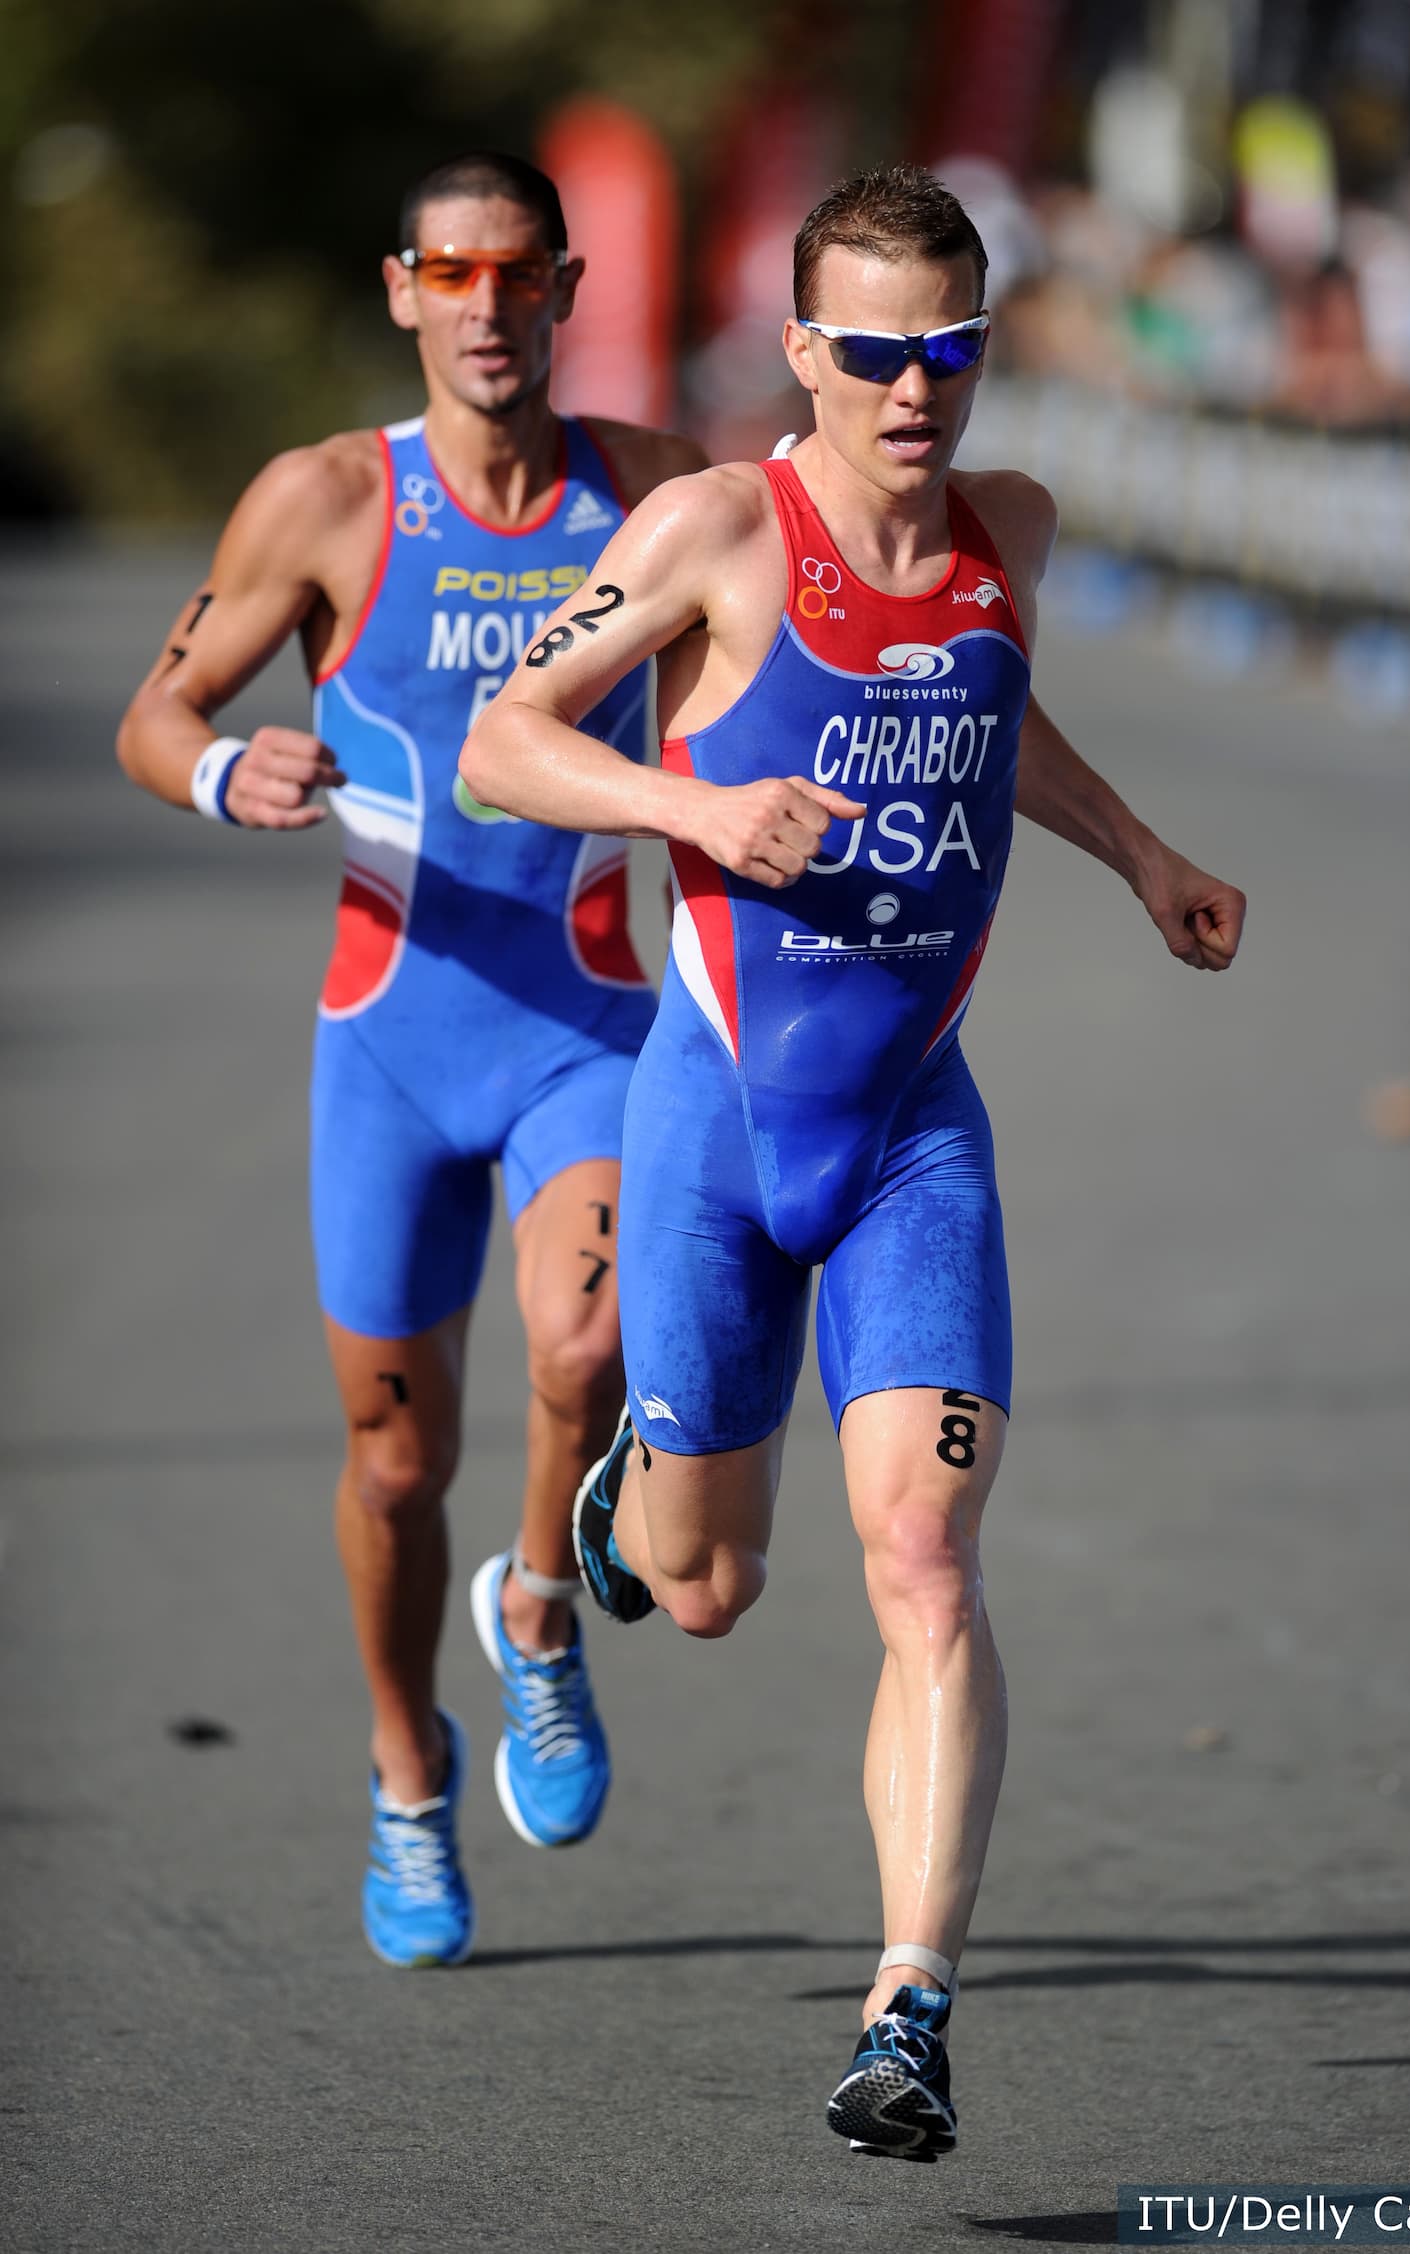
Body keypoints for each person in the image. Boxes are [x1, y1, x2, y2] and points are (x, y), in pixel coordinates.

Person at [457, 163, 1246, 2154]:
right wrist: (696, 813)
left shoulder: (1013, 533)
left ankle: (909, 2008)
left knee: (927, 1556)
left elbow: (993, 721)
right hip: (718, 1112)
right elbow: (503, 739)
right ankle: (623, 1504)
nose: (916, 392)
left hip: (913, 1130)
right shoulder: (717, 526)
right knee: (706, 1588)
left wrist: (1142, 851)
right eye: (875, 352)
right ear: (805, 348)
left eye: (951, 351)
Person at [117, 151, 706, 1968]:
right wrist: (228, 770)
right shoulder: (321, 502)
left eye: (518, 274)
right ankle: (404, 1765)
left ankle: (536, 1606)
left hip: (585, 1022)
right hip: (389, 1040)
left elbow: (768, 658)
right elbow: (161, 710)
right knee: (389, 1471)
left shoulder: (655, 490)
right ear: (402, 290)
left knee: (589, 1336)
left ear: (566, 289)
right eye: (450, 273)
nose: (484, 306)